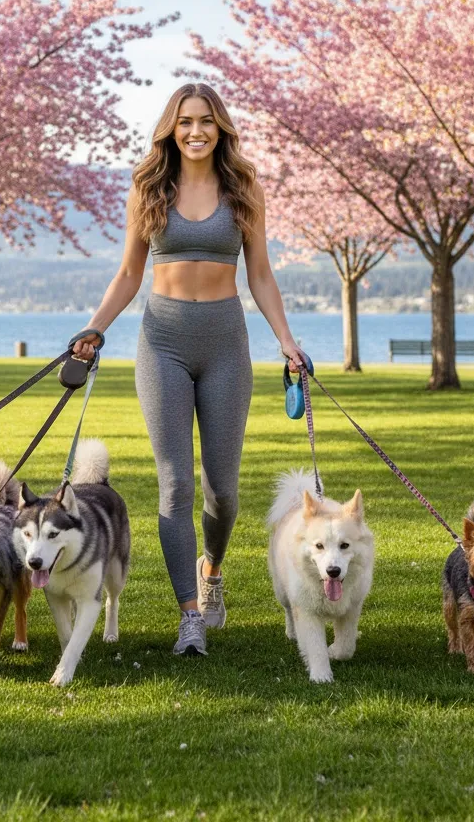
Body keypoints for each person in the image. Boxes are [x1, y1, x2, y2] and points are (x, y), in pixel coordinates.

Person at [71, 82, 306, 655]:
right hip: (164, 342)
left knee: (222, 492)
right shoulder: (148, 186)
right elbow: (129, 274)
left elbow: (262, 275)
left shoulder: (243, 186)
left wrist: (287, 341)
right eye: (184, 122)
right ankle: (189, 616)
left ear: (220, 127)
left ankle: (213, 571)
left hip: (227, 342)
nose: (195, 131)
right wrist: (95, 327)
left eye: (205, 121)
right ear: (170, 130)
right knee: (175, 485)